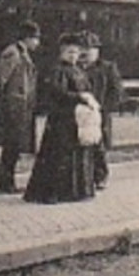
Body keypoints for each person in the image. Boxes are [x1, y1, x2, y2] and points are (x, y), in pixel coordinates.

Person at [24, 32, 98, 204]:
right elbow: (57, 92)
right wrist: (80, 97)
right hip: (61, 120)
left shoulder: (78, 70)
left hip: (77, 120)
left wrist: (88, 99)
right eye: (70, 52)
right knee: (58, 156)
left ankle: (77, 191)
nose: (73, 56)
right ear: (62, 52)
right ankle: (56, 193)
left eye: (76, 52)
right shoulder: (58, 71)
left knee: (77, 155)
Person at [0, 19, 40, 194]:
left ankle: (8, 182)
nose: (38, 43)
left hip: (20, 108)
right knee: (11, 147)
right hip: (12, 109)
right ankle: (6, 183)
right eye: (36, 38)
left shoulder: (21, 53)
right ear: (27, 38)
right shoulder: (13, 53)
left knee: (14, 147)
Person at [78, 32, 123, 189]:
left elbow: (116, 91)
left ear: (97, 51)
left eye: (90, 48)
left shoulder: (107, 68)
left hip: (100, 113)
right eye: (83, 48)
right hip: (81, 115)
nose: (86, 52)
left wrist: (105, 108)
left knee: (99, 145)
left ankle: (100, 176)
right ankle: (84, 177)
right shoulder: (75, 68)